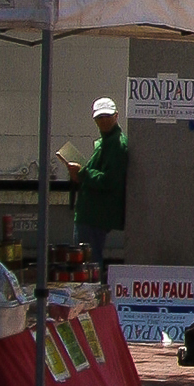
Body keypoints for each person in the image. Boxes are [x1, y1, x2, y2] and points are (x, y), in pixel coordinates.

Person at [67, 95, 127, 263]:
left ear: (116, 116)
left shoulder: (116, 144)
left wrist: (83, 173)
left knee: (88, 262)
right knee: (88, 261)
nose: (104, 121)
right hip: (92, 213)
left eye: (108, 117)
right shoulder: (107, 142)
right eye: (100, 118)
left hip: (95, 215)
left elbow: (109, 181)